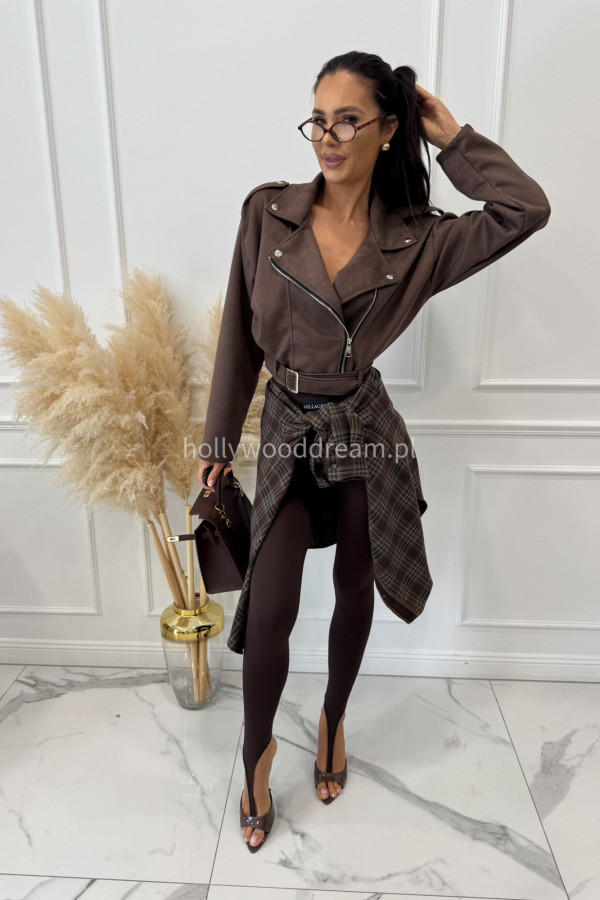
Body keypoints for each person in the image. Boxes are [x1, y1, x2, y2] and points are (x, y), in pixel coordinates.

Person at [196, 51, 551, 852]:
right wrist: (217, 439)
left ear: (388, 129)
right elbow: (236, 340)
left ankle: (332, 721)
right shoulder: (268, 213)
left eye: (348, 120)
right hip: (287, 428)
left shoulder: (419, 239)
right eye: (318, 119)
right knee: (271, 606)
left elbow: (524, 209)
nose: (327, 137)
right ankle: (255, 759)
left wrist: (452, 138)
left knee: (356, 586)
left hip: (364, 428)